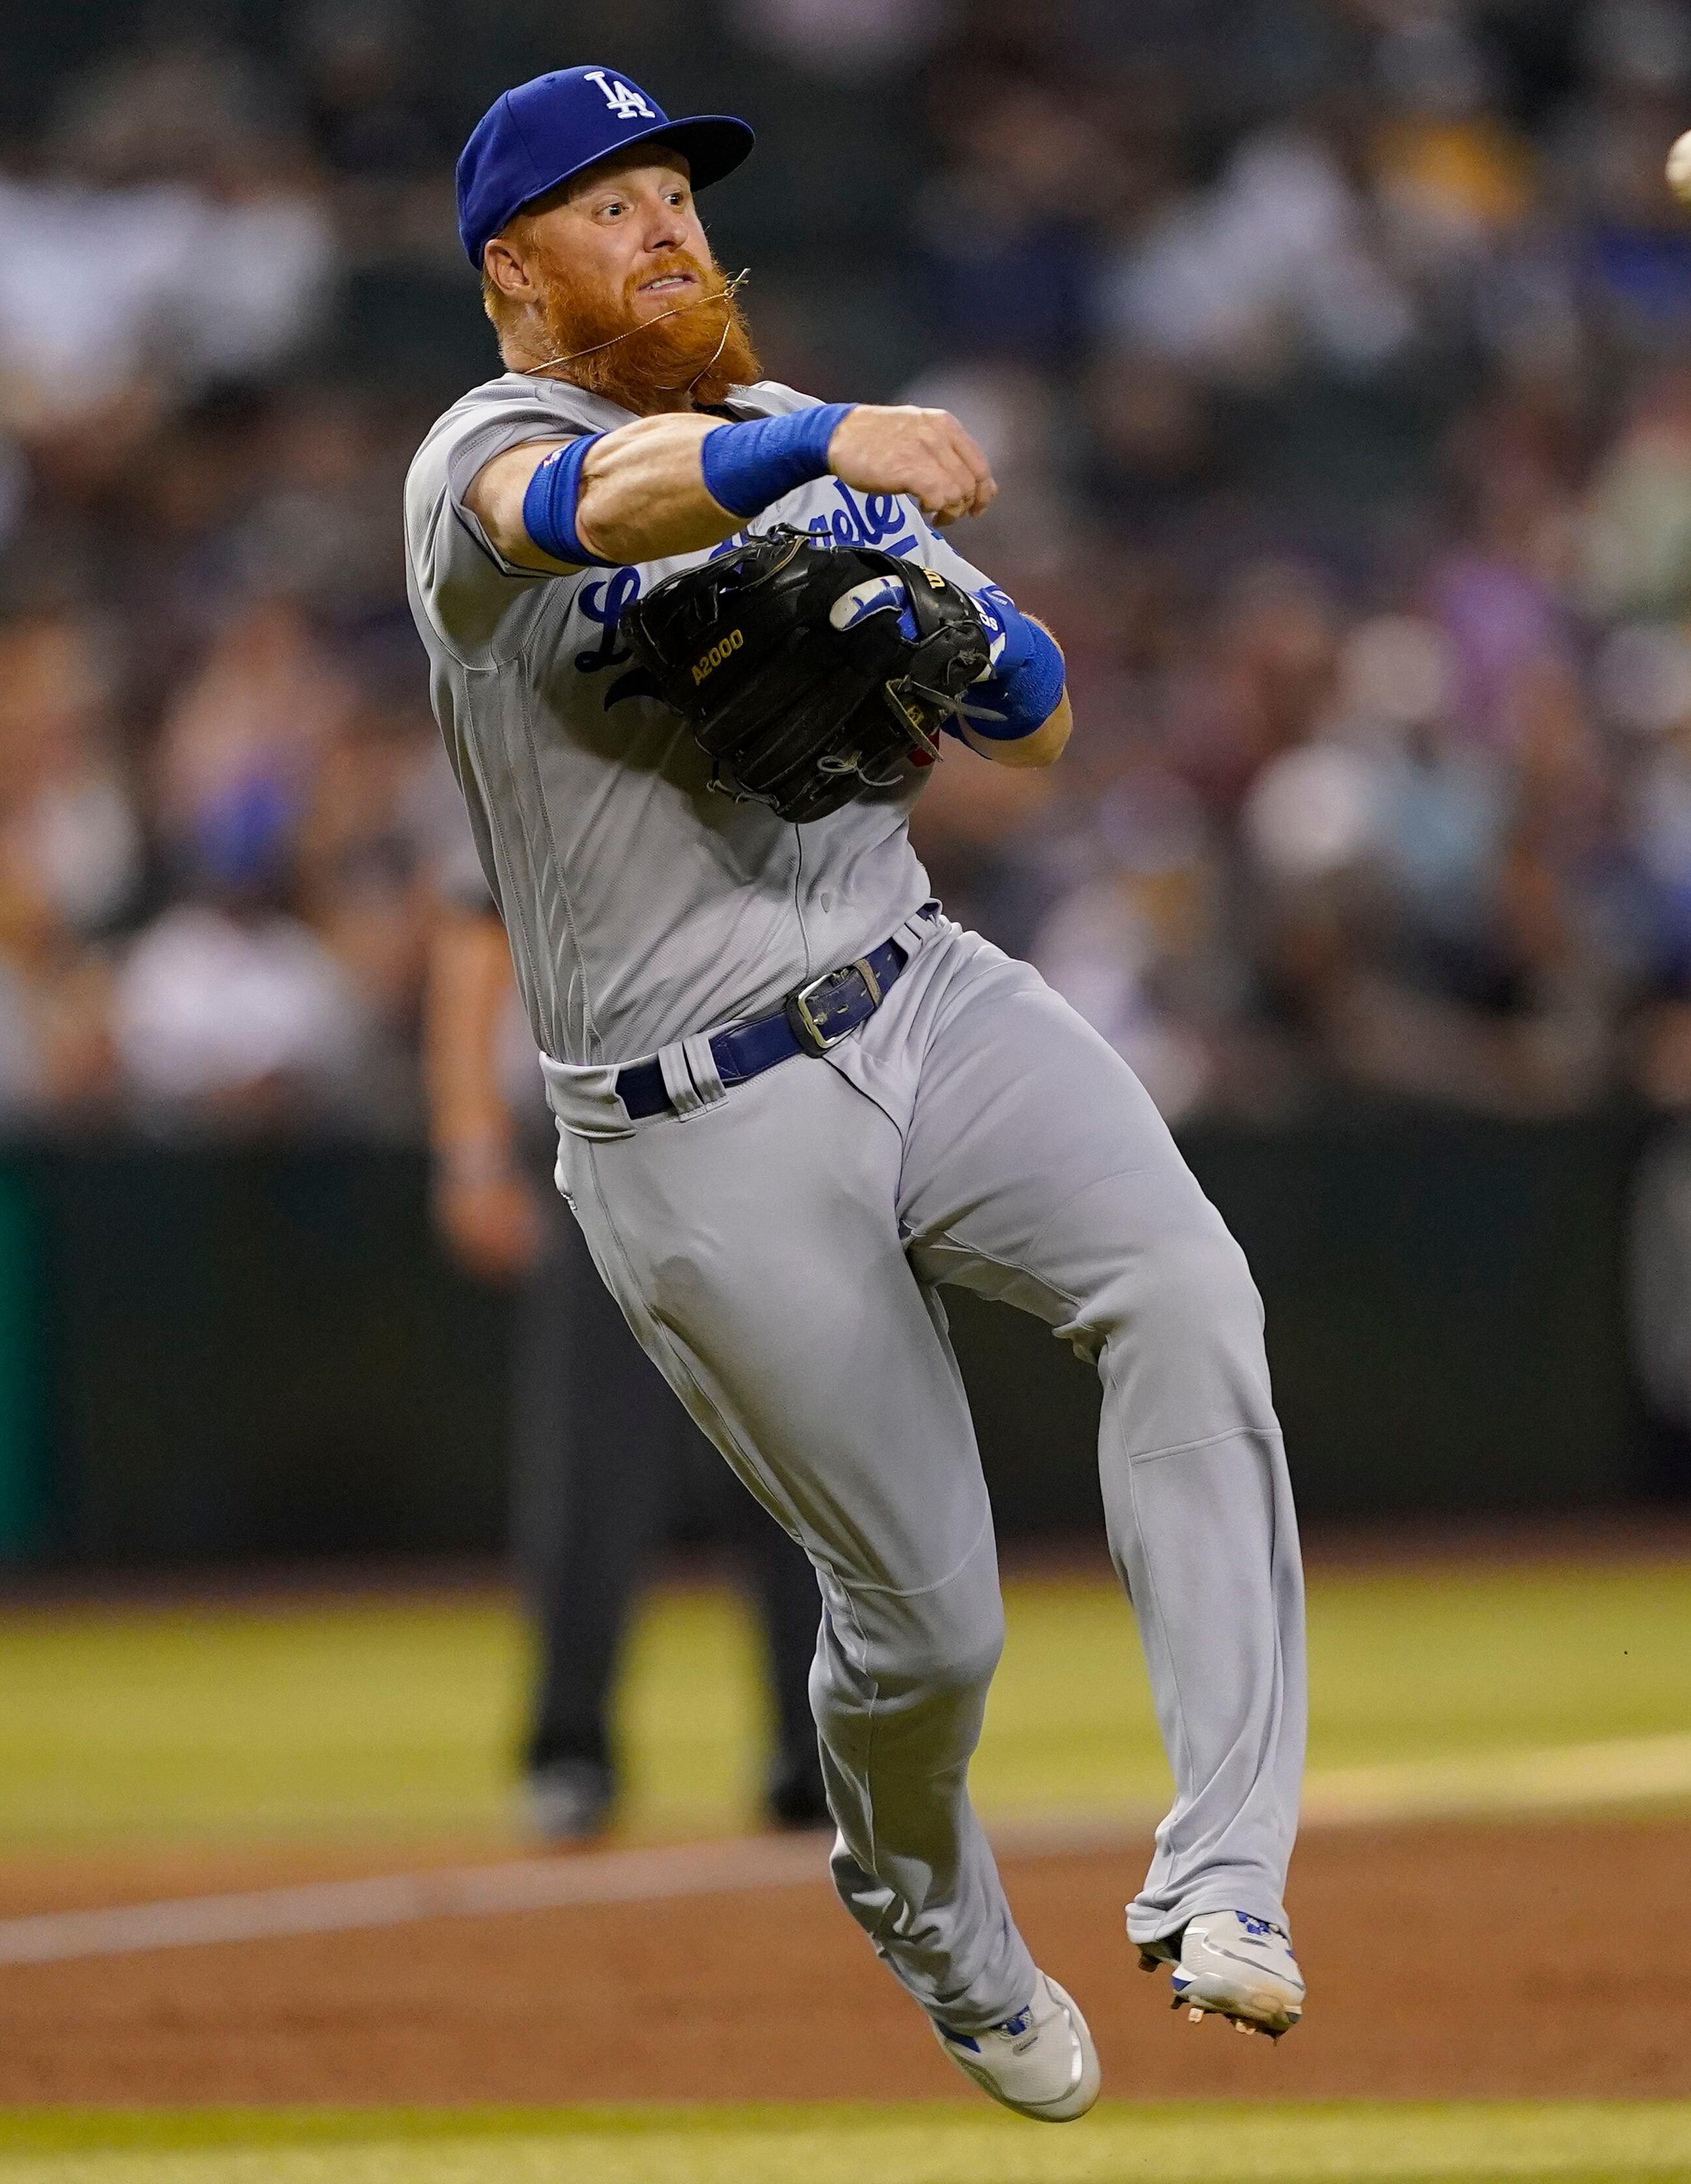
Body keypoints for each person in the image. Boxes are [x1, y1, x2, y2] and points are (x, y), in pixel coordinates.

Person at [399, 65, 1307, 2122]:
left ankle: (1229, 1865)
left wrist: (938, 632)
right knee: (931, 1629)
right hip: (694, 1123)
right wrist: (815, 450)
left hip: (919, 992)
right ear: (509, 273)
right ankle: (928, 1911)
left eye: (679, 195)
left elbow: (1050, 715)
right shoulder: (486, 448)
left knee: (1190, 1292)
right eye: (608, 202)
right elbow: (580, 516)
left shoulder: (793, 446)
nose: (663, 229)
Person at [418, 814, 829, 1844]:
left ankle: (815, 1753)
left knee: (805, 1460)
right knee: (597, 1466)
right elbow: (475, 937)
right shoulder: (551, 731)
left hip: (771, 1136)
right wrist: (469, 1146)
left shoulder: (776, 739)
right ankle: (571, 1749)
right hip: (608, 1134)